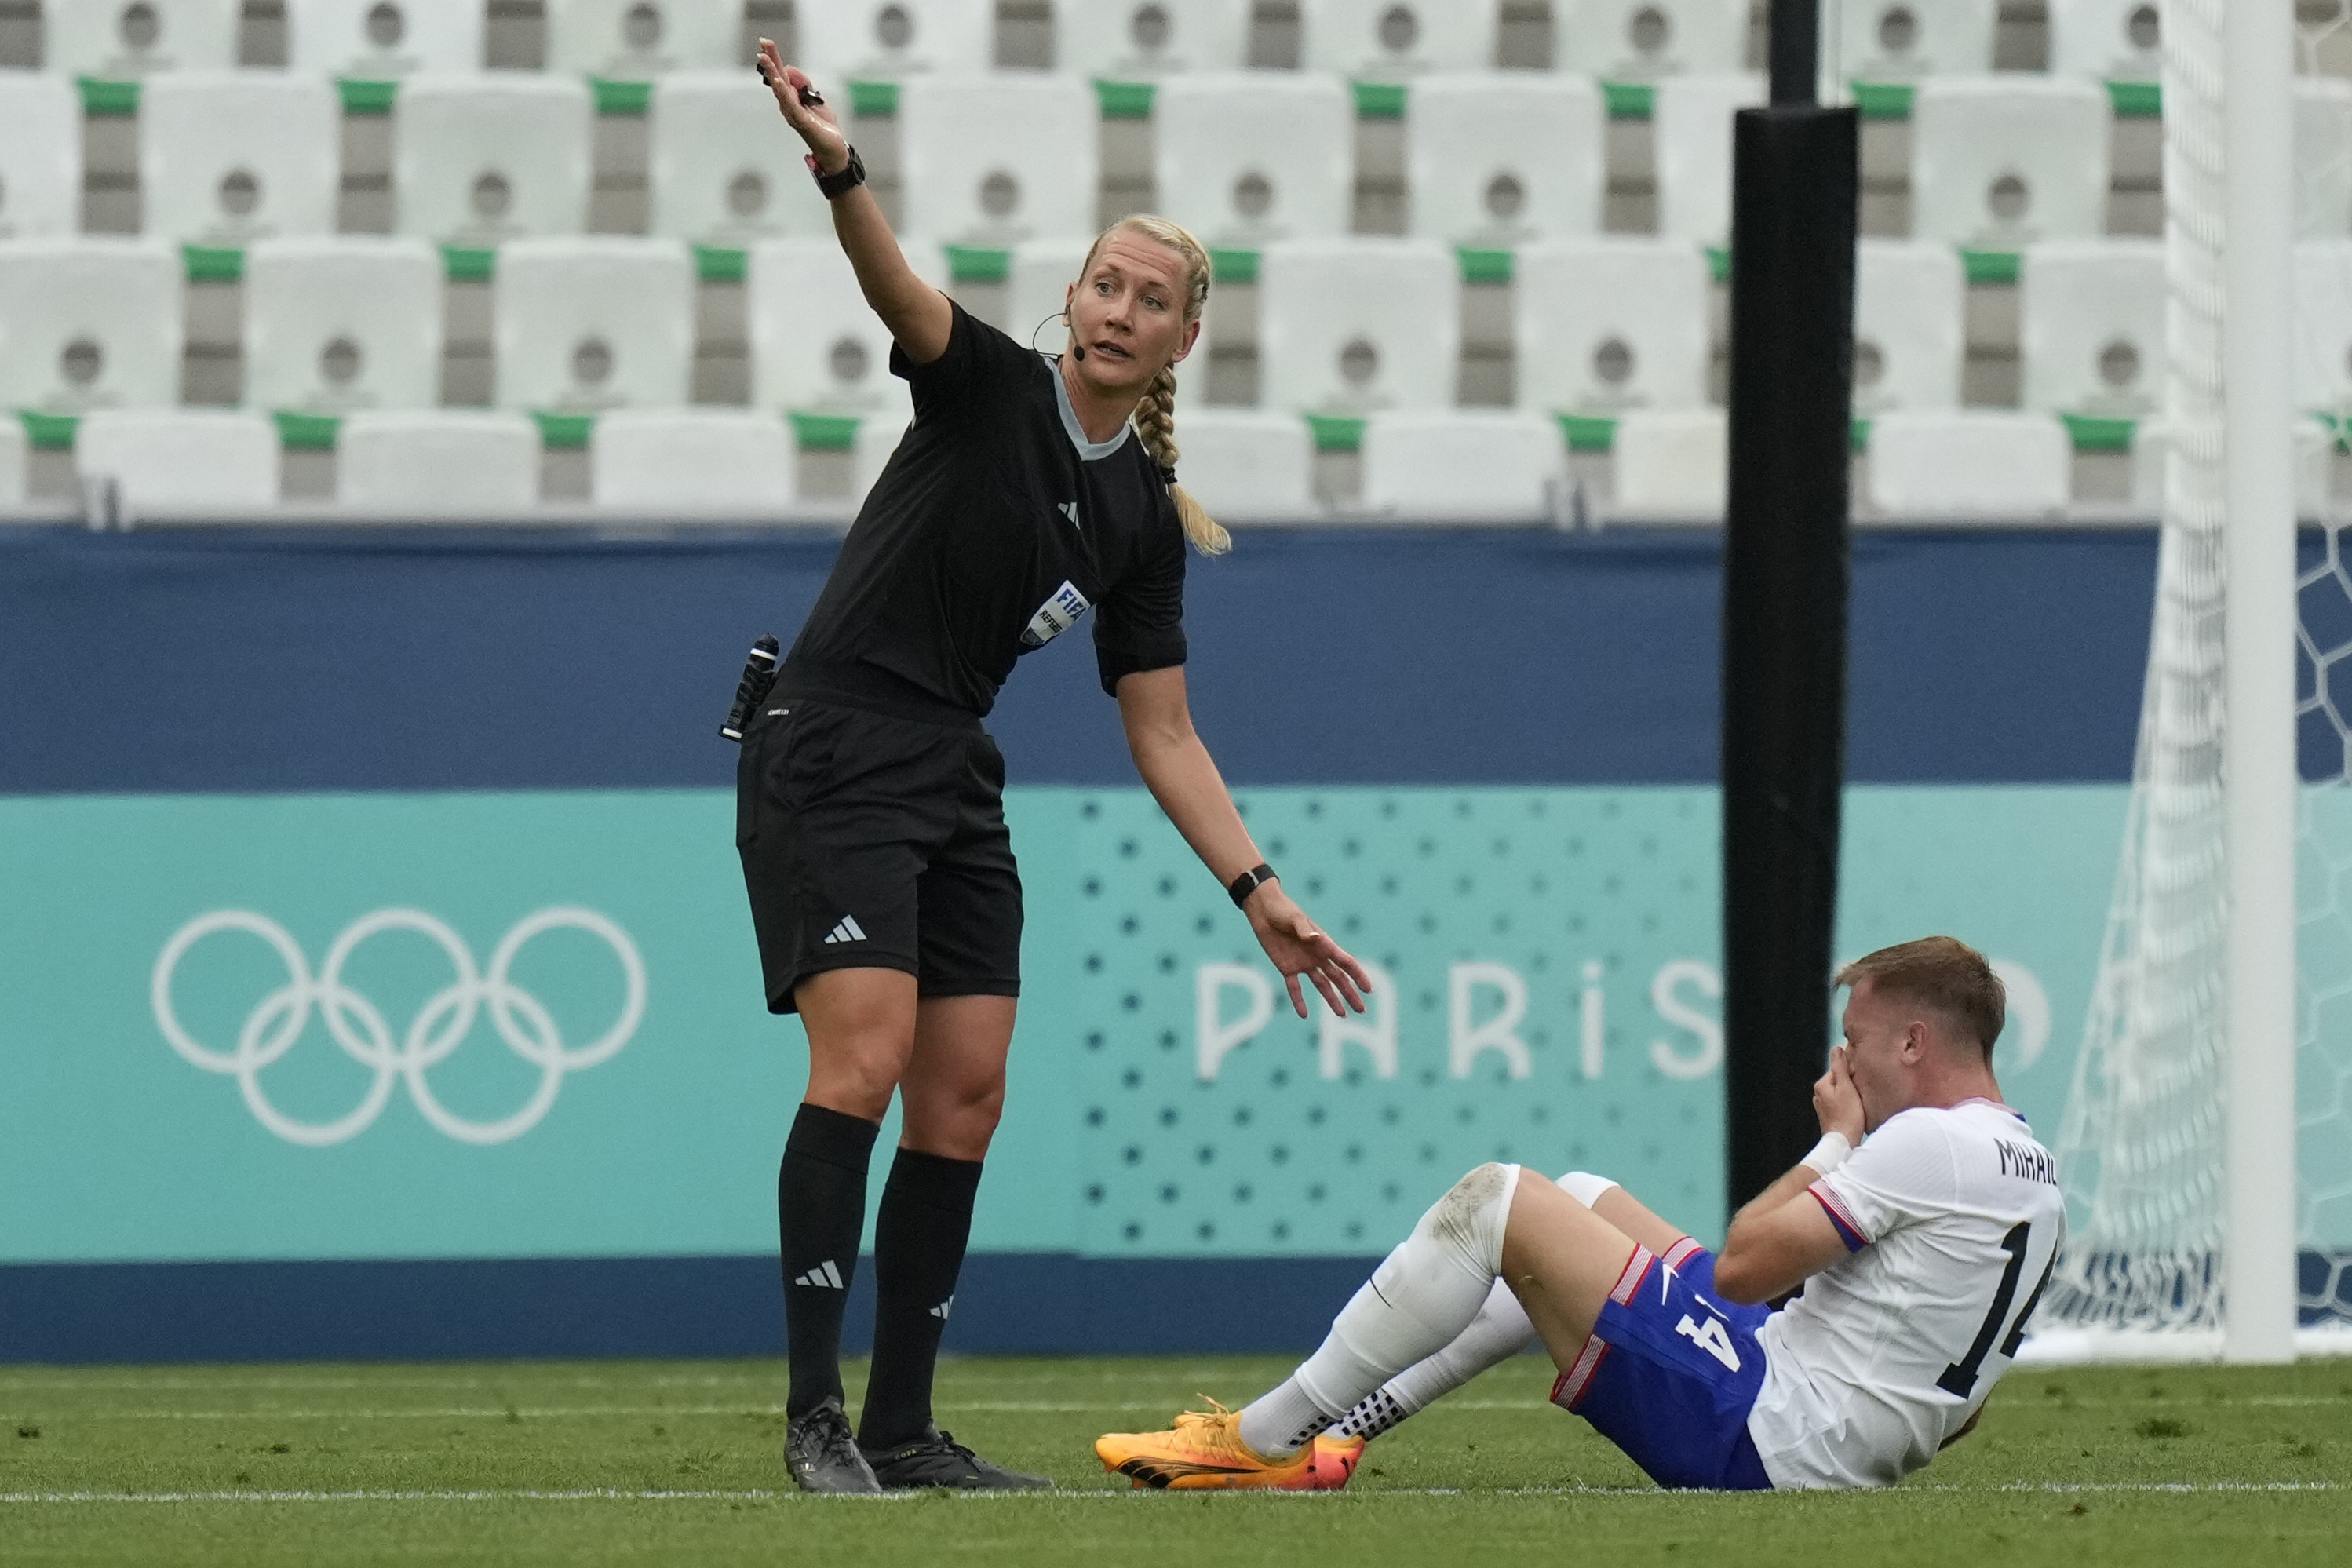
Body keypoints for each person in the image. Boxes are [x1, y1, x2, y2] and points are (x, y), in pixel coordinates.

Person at [741, 40, 1375, 1494]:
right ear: (1073, 298)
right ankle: (815, 1420)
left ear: (1178, 342)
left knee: (964, 1093)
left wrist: (1257, 888)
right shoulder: (987, 389)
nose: (1119, 308)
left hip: (950, 771)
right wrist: (838, 164)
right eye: (1106, 284)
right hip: (832, 738)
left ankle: (902, 1429)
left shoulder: (1142, 517)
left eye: (1151, 299)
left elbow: (1162, 730)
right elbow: (893, 288)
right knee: (869, 1057)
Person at [1097, 936, 2066, 1493]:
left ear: (1911, 1040)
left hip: (1765, 1438)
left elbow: (1743, 1270)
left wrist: (1836, 1144)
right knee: (1584, 1197)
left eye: (1854, 1041)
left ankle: (1258, 1442)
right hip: (1803, 1405)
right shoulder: (2033, 1168)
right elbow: (1965, 1409)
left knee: (1500, 1200)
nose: (1842, 1063)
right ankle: (1341, 1437)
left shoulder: (1920, 1143)